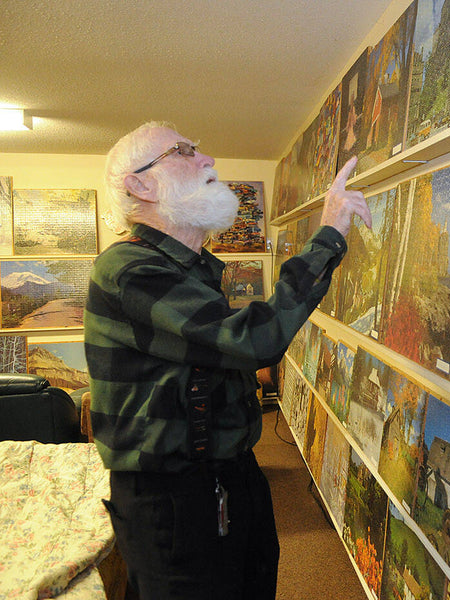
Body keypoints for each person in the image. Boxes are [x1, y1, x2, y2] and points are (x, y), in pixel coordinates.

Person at [85, 121, 371, 600]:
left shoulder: (190, 269)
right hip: (174, 500)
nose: (208, 160)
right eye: (184, 151)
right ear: (141, 184)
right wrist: (329, 234)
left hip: (229, 478)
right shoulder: (128, 269)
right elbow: (255, 340)